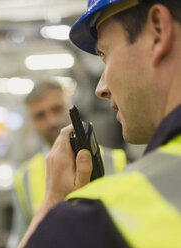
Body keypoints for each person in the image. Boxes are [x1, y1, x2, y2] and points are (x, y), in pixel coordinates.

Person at [18, 0, 181, 247]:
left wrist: (52, 205)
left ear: (157, 30)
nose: (101, 89)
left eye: (105, 53)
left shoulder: (90, 223)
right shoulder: (26, 178)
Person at [6, 80, 127, 247]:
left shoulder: (116, 162)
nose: (51, 121)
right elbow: (20, 237)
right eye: (40, 115)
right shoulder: (24, 177)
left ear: (71, 108)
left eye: (57, 109)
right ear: (32, 123)